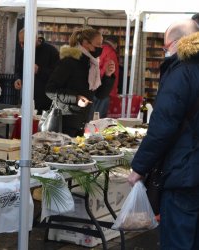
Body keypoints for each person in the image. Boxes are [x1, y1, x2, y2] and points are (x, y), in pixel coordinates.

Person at [128, 19, 199, 249]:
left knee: (178, 240)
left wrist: (139, 167)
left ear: (177, 43)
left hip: (185, 173)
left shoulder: (182, 71)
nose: (165, 52)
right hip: (190, 169)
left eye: (165, 47)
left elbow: (163, 125)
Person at [46, 28, 115, 137]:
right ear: (86, 43)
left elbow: (100, 94)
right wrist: (76, 98)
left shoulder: (92, 65)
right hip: (64, 123)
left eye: (101, 45)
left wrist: (108, 76)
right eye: (98, 44)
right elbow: (50, 90)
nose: (100, 48)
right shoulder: (68, 62)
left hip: (82, 123)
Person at [14, 28, 59, 114]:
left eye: (24, 42)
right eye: (20, 43)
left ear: (34, 39)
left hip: (46, 101)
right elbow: (19, 70)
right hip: (28, 98)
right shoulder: (24, 53)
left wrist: (39, 70)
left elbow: (57, 76)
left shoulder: (51, 51)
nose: (21, 46)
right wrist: (18, 79)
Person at [92, 36, 119, 118]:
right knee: (99, 118)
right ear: (115, 45)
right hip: (104, 88)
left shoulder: (98, 50)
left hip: (93, 87)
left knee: (92, 115)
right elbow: (107, 71)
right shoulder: (110, 52)